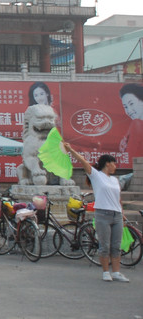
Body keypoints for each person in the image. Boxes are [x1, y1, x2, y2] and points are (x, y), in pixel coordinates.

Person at [65, 143, 129, 282]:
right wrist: (70, 149)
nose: (115, 166)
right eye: (114, 163)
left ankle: (117, 272)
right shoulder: (96, 176)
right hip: (103, 215)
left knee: (116, 246)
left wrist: (122, 214)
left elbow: (118, 199)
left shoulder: (115, 180)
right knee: (104, 245)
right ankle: (106, 272)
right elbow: (83, 161)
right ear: (107, 164)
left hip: (116, 215)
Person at [119, 83, 143, 156]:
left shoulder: (137, 124)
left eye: (131, 104)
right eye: (125, 107)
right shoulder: (135, 124)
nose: (129, 110)